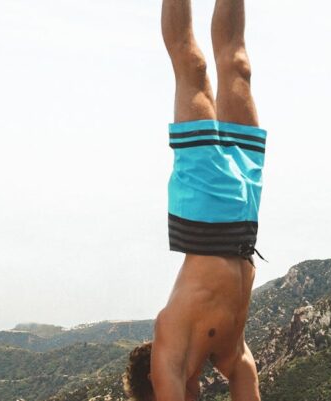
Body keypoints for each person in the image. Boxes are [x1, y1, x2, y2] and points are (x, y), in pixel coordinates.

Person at [124, 0, 266, 400]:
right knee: (237, 65)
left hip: (203, 215)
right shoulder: (230, 354)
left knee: (192, 66)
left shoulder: (170, 345)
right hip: (244, 217)